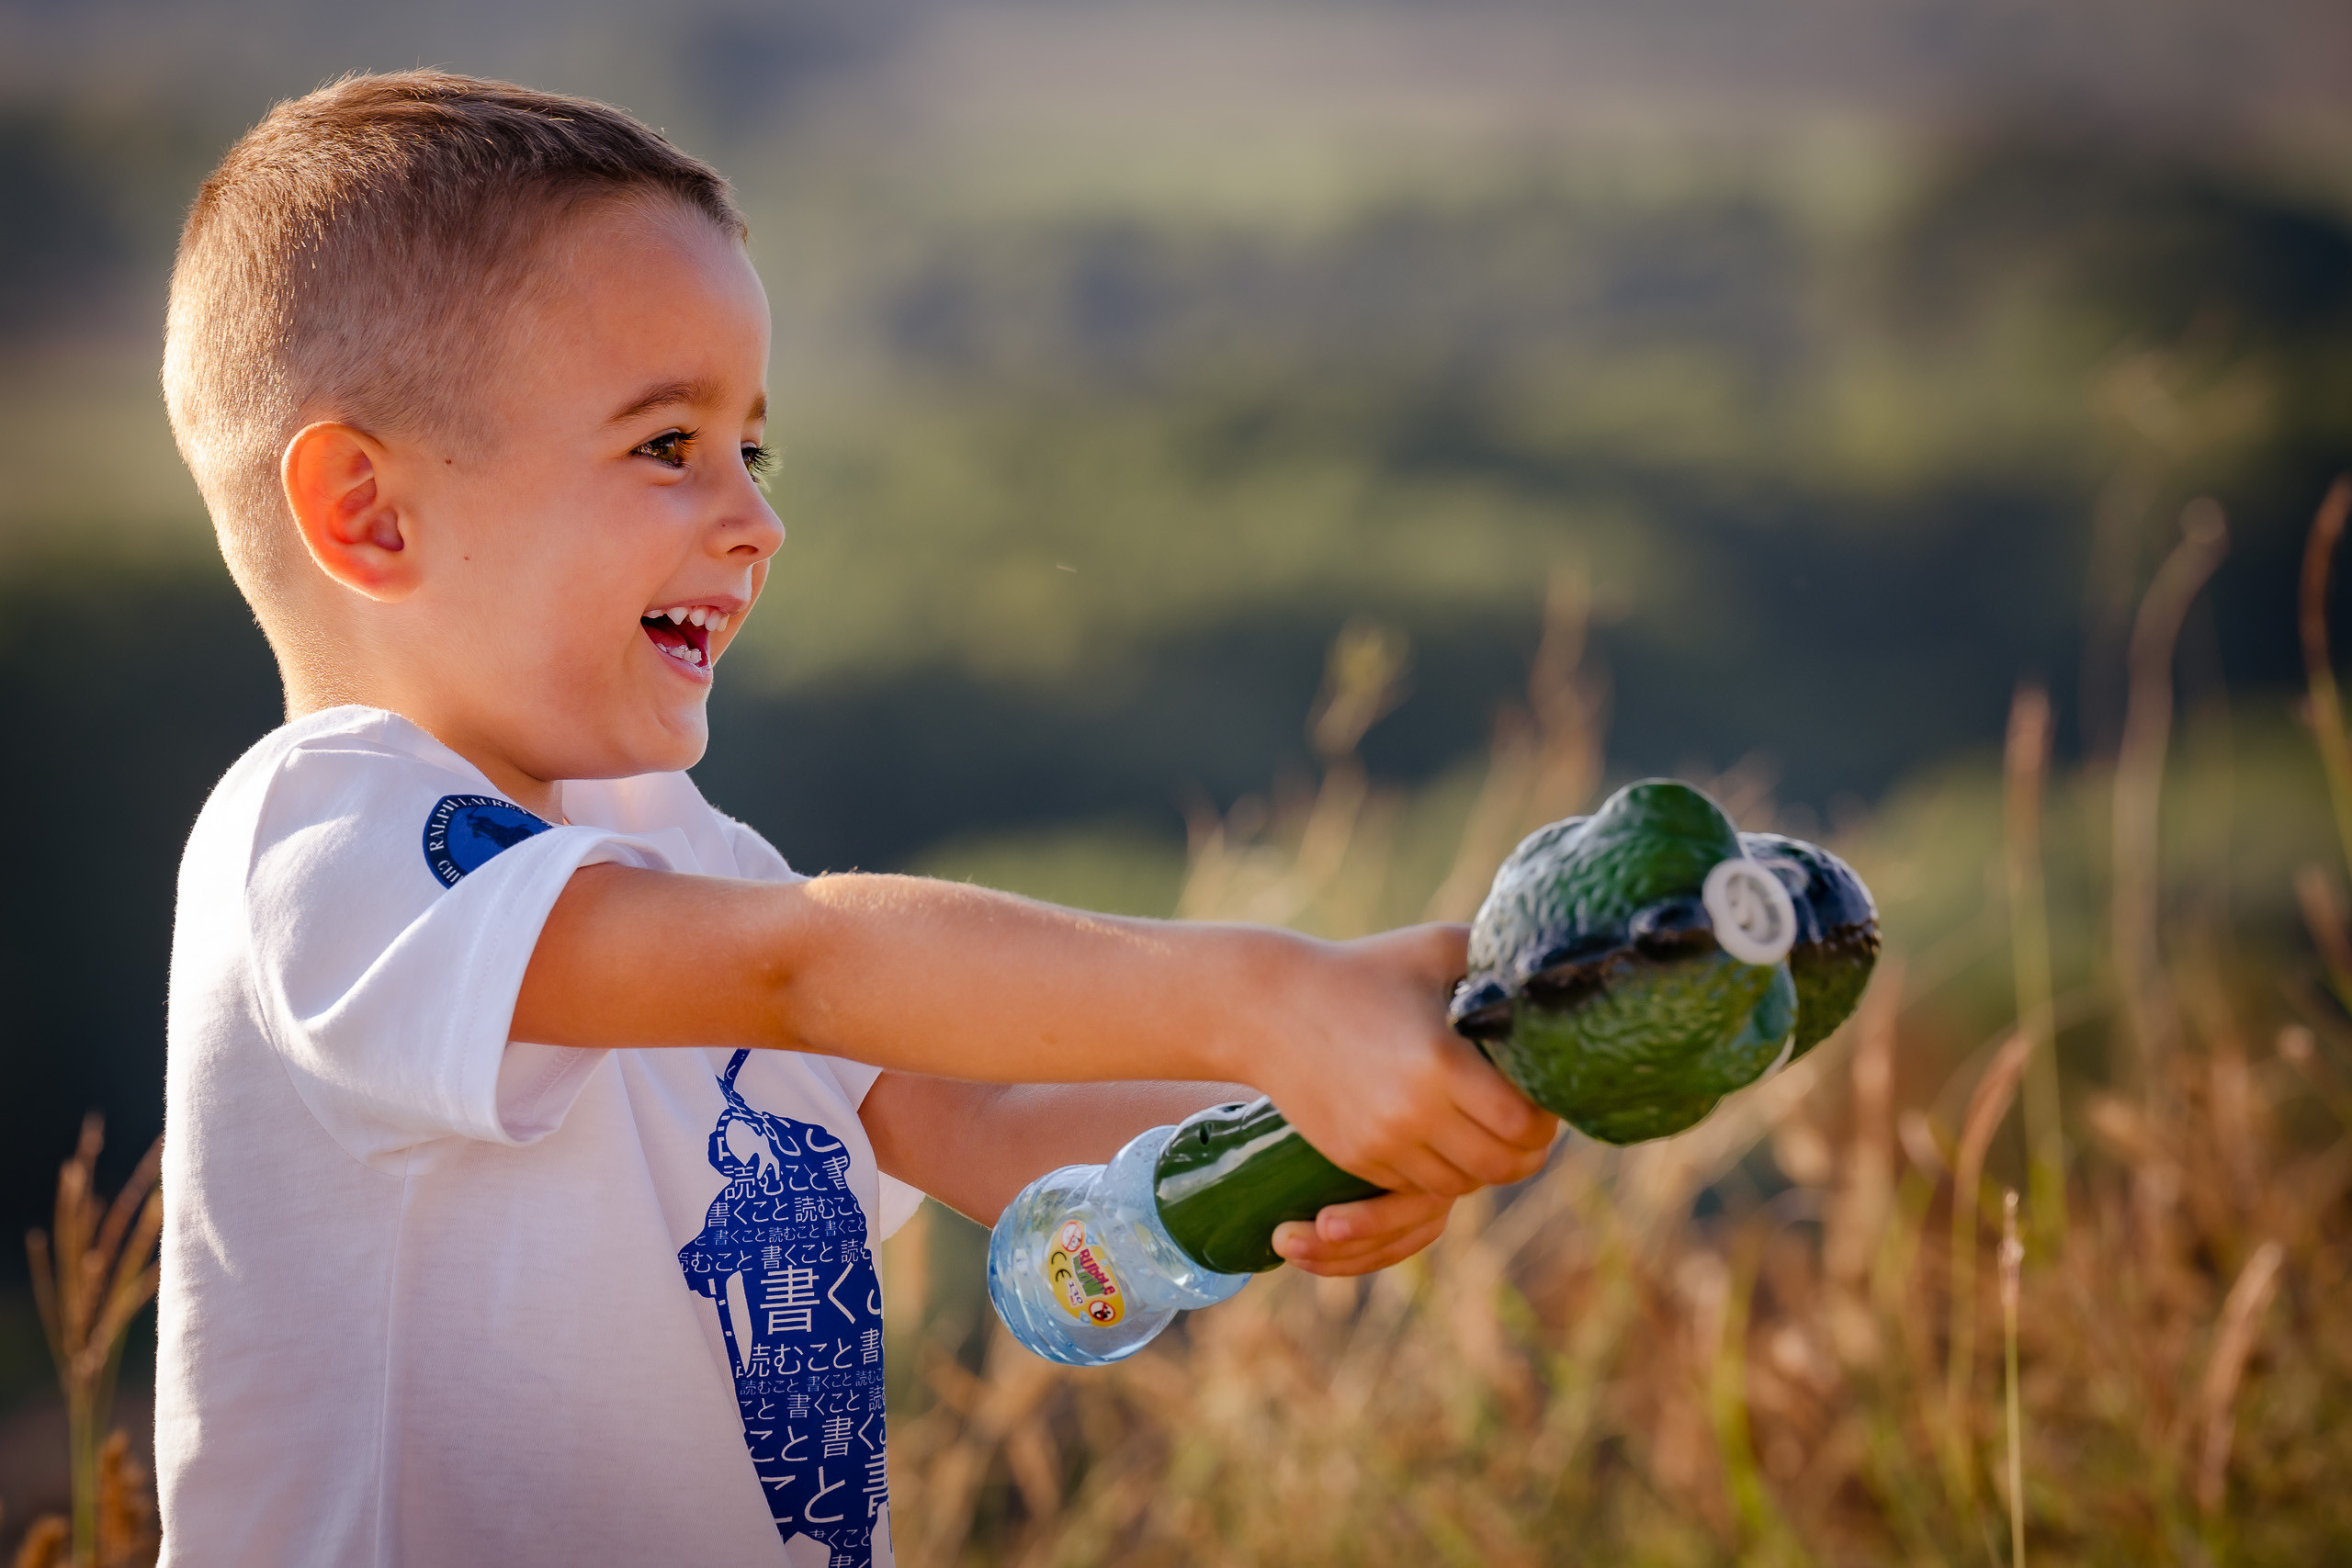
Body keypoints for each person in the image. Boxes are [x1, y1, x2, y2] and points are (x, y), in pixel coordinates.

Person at [155, 70, 1557, 1568]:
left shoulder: (679, 859)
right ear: (368, 512)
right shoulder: (327, 847)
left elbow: (995, 1124)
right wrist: (1270, 995)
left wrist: (1352, 1112)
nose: (756, 517)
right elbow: (802, 967)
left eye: (749, 449)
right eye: (664, 445)